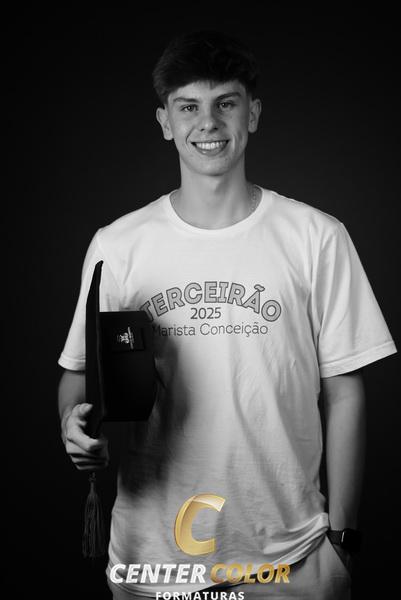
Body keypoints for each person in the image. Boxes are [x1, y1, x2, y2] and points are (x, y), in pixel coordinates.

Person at [57, 30, 397, 600]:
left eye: (226, 103)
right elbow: (76, 373)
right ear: (165, 122)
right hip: (153, 561)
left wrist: (343, 538)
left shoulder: (316, 237)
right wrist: (71, 422)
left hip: (292, 560)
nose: (208, 123)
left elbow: (345, 391)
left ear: (253, 114)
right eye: (188, 106)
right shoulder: (118, 245)